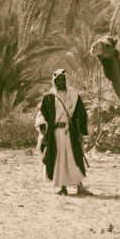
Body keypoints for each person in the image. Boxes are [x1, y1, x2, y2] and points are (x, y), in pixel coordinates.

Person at [35, 68, 91, 196]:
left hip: (71, 133)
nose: (60, 82)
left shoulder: (74, 95)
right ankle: (62, 187)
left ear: (66, 80)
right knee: (59, 160)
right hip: (56, 134)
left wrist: (81, 131)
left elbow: (81, 113)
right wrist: (43, 126)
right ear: (54, 81)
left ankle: (80, 186)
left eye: (62, 79)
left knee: (74, 159)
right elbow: (41, 114)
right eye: (57, 80)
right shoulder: (49, 97)